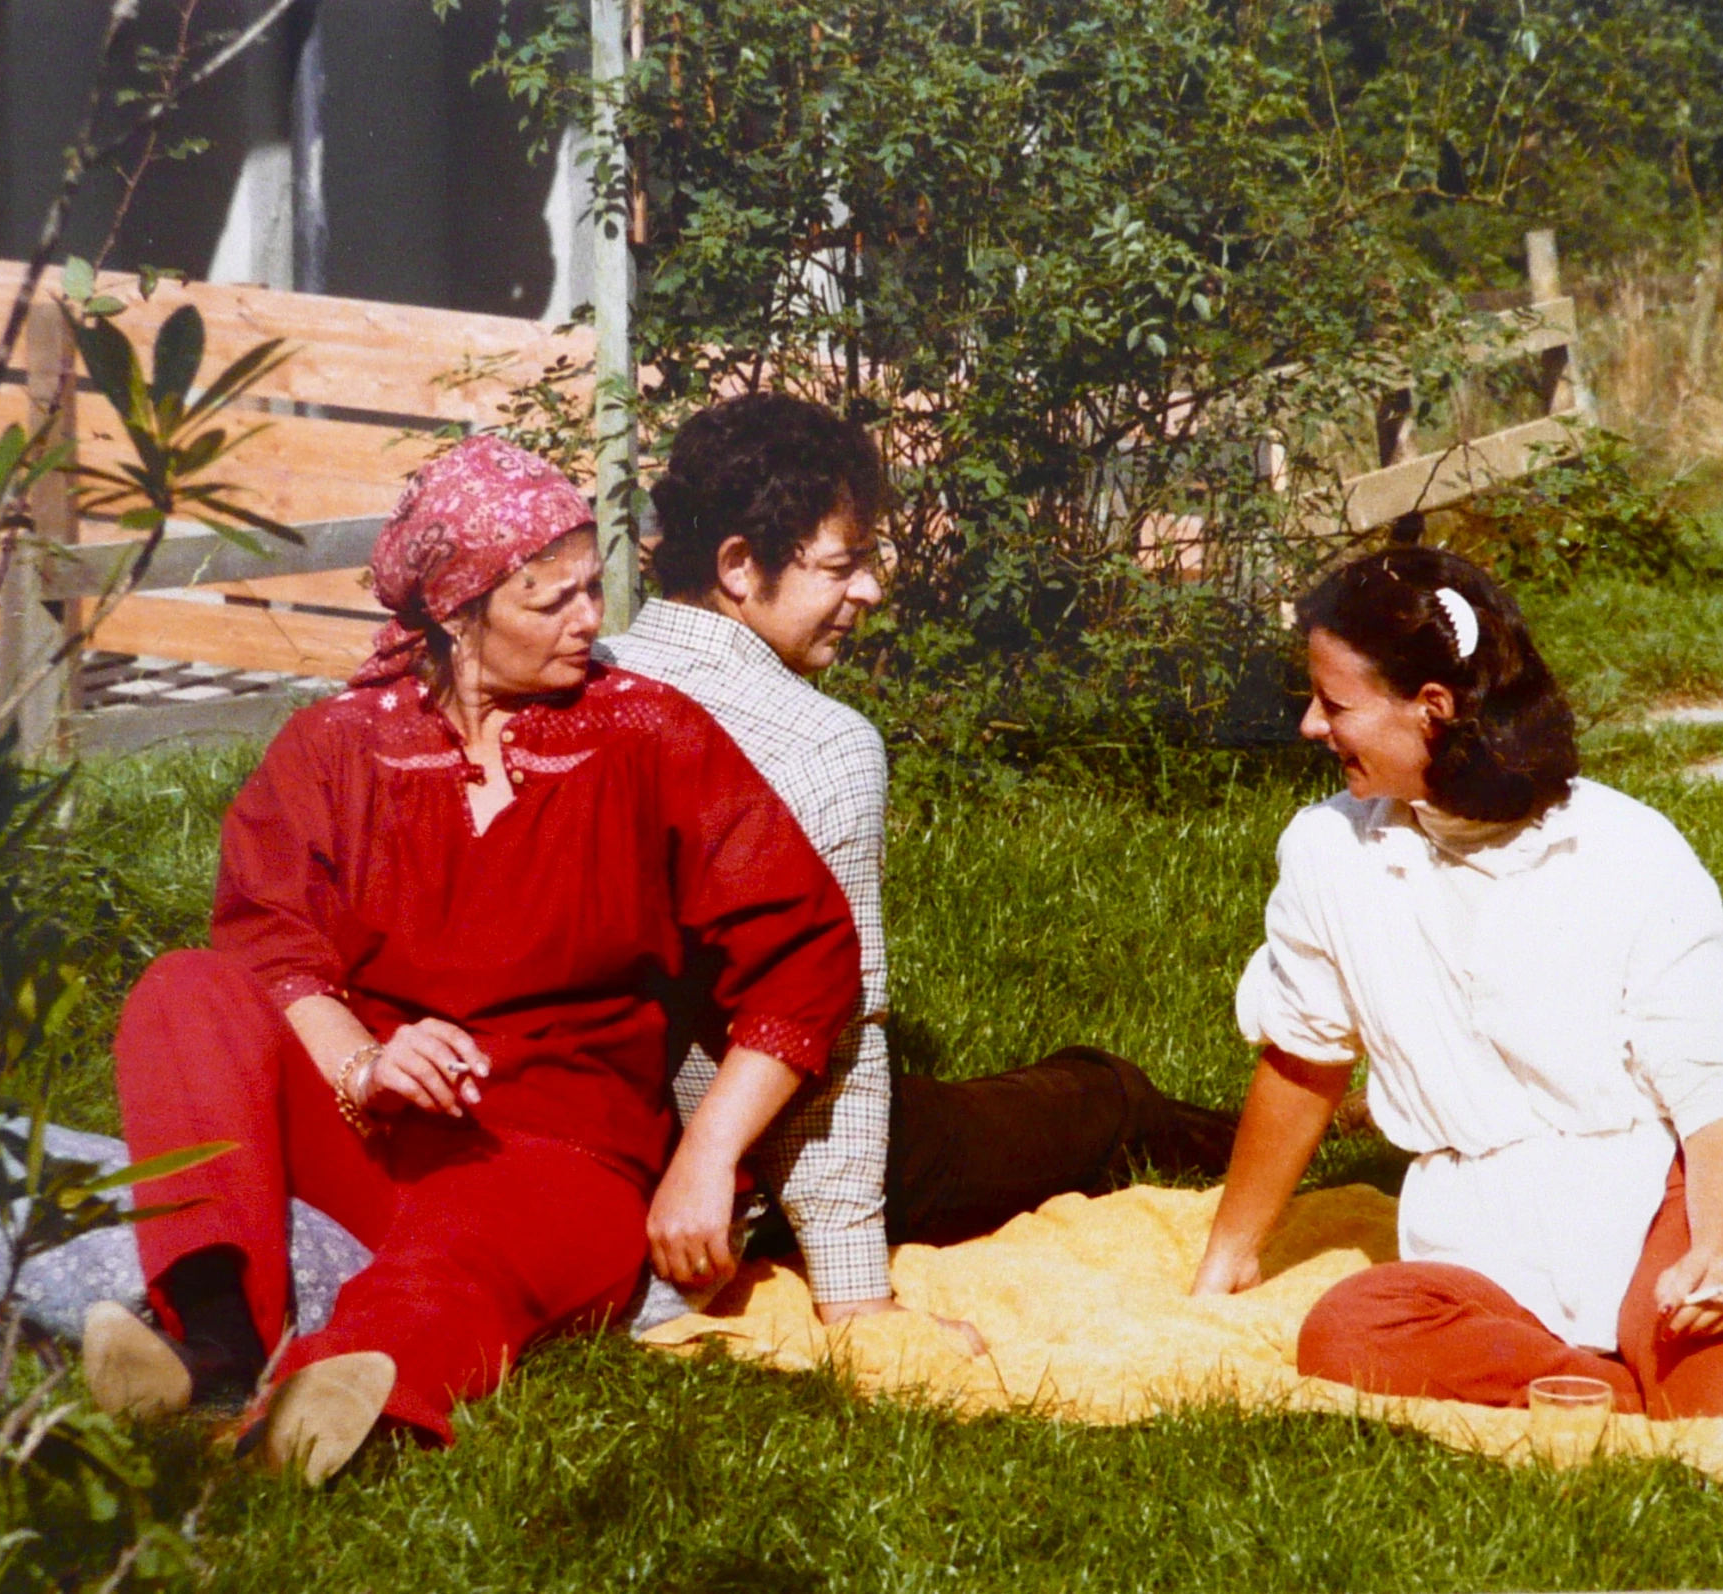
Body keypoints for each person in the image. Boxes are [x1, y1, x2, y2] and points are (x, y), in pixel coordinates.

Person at [79, 436, 862, 1483]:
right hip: (374, 1130)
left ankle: (336, 1406)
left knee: (456, 1260)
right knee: (185, 988)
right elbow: (269, 938)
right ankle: (211, 1343)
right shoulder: (335, 748)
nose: (590, 620)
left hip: (556, 1159)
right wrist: (363, 1061)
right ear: (455, 612)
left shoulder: (646, 735)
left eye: (594, 589)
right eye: (551, 601)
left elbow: (803, 951)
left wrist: (705, 1158)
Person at [1188, 545, 1723, 1436]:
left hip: (1659, 1205)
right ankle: (1658, 1389)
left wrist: (1722, 1255)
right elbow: (1305, 1060)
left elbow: (1714, 1089)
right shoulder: (1327, 852)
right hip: (1476, 1245)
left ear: (1434, 709)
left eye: (1334, 704)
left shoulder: (1624, 847)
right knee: (1351, 1334)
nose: (1310, 726)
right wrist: (1230, 1253)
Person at [606, 392, 1238, 1326]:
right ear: (739, 566)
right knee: (1087, 1107)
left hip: (631, 1149)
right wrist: (856, 1291)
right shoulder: (824, 742)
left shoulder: (584, 680)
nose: (869, 591)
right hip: (763, 1148)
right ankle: (1182, 1118)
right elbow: (839, 1027)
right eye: (843, 566)